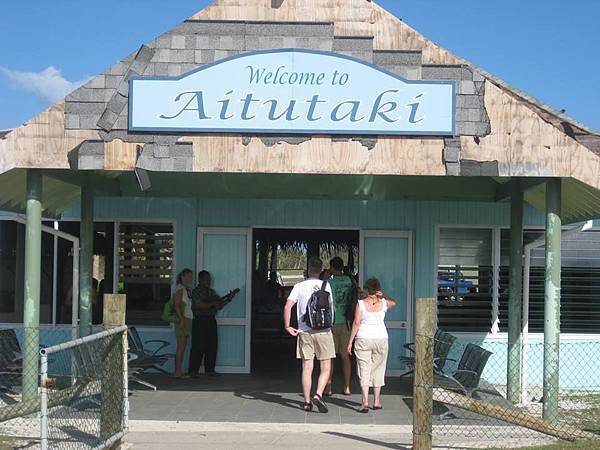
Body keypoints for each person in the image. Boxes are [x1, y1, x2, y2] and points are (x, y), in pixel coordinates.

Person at [283, 257, 335, 413]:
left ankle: (306, 402)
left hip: (304, 330)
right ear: (320, 271)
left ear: (307, 270)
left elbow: (288, 306)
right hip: (324, 331)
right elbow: (331, 308)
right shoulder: (326, 286)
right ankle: (318, 394)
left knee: (307, 367)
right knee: (326, 366)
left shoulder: (299, 286)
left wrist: (287, 326)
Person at [347, 277, 397, 413]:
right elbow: (394, 303)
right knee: (378, 369)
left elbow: (356, 323)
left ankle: (364, 402)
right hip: (381, 338)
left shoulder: (361, 304)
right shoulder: (383, 303)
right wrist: (383, 295)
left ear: (366, 289)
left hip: (363, 338)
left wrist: (350, 341)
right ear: (378, 289)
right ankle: (376, 401)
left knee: (364, 369)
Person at [189, 270, 239, 377]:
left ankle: (210, 370)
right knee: (198, 345)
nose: (208, 281)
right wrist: (213, 303)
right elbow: (199, 305)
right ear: (200, 280)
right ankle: (193, 371)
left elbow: (219, 305)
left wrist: (229, 299)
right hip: (200, 320)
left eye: (209, 279)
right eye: (206, 279)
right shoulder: (196, 292)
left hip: (210, 319)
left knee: (212, 345)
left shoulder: (211, 292)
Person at [326, 256, 355, 396]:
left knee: (330, 357)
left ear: (332, 268)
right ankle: (347, 387)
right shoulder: (350, 281)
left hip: (332, 322)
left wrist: (325, 278)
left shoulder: (329, 282)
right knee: (345, 356)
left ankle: (328, 387)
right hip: (347, 322)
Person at [173, 268, 194, 378]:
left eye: (191, 276)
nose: (191, 278)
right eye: (189, 276)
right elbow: (176, 305)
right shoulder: (180, 289)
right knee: (181, 346)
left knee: (183, 345)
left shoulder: (186, 289)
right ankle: (177, 372)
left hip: (187, 318)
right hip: (182, 319)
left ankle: (179, 371)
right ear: (183, 277)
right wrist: (181, 319)